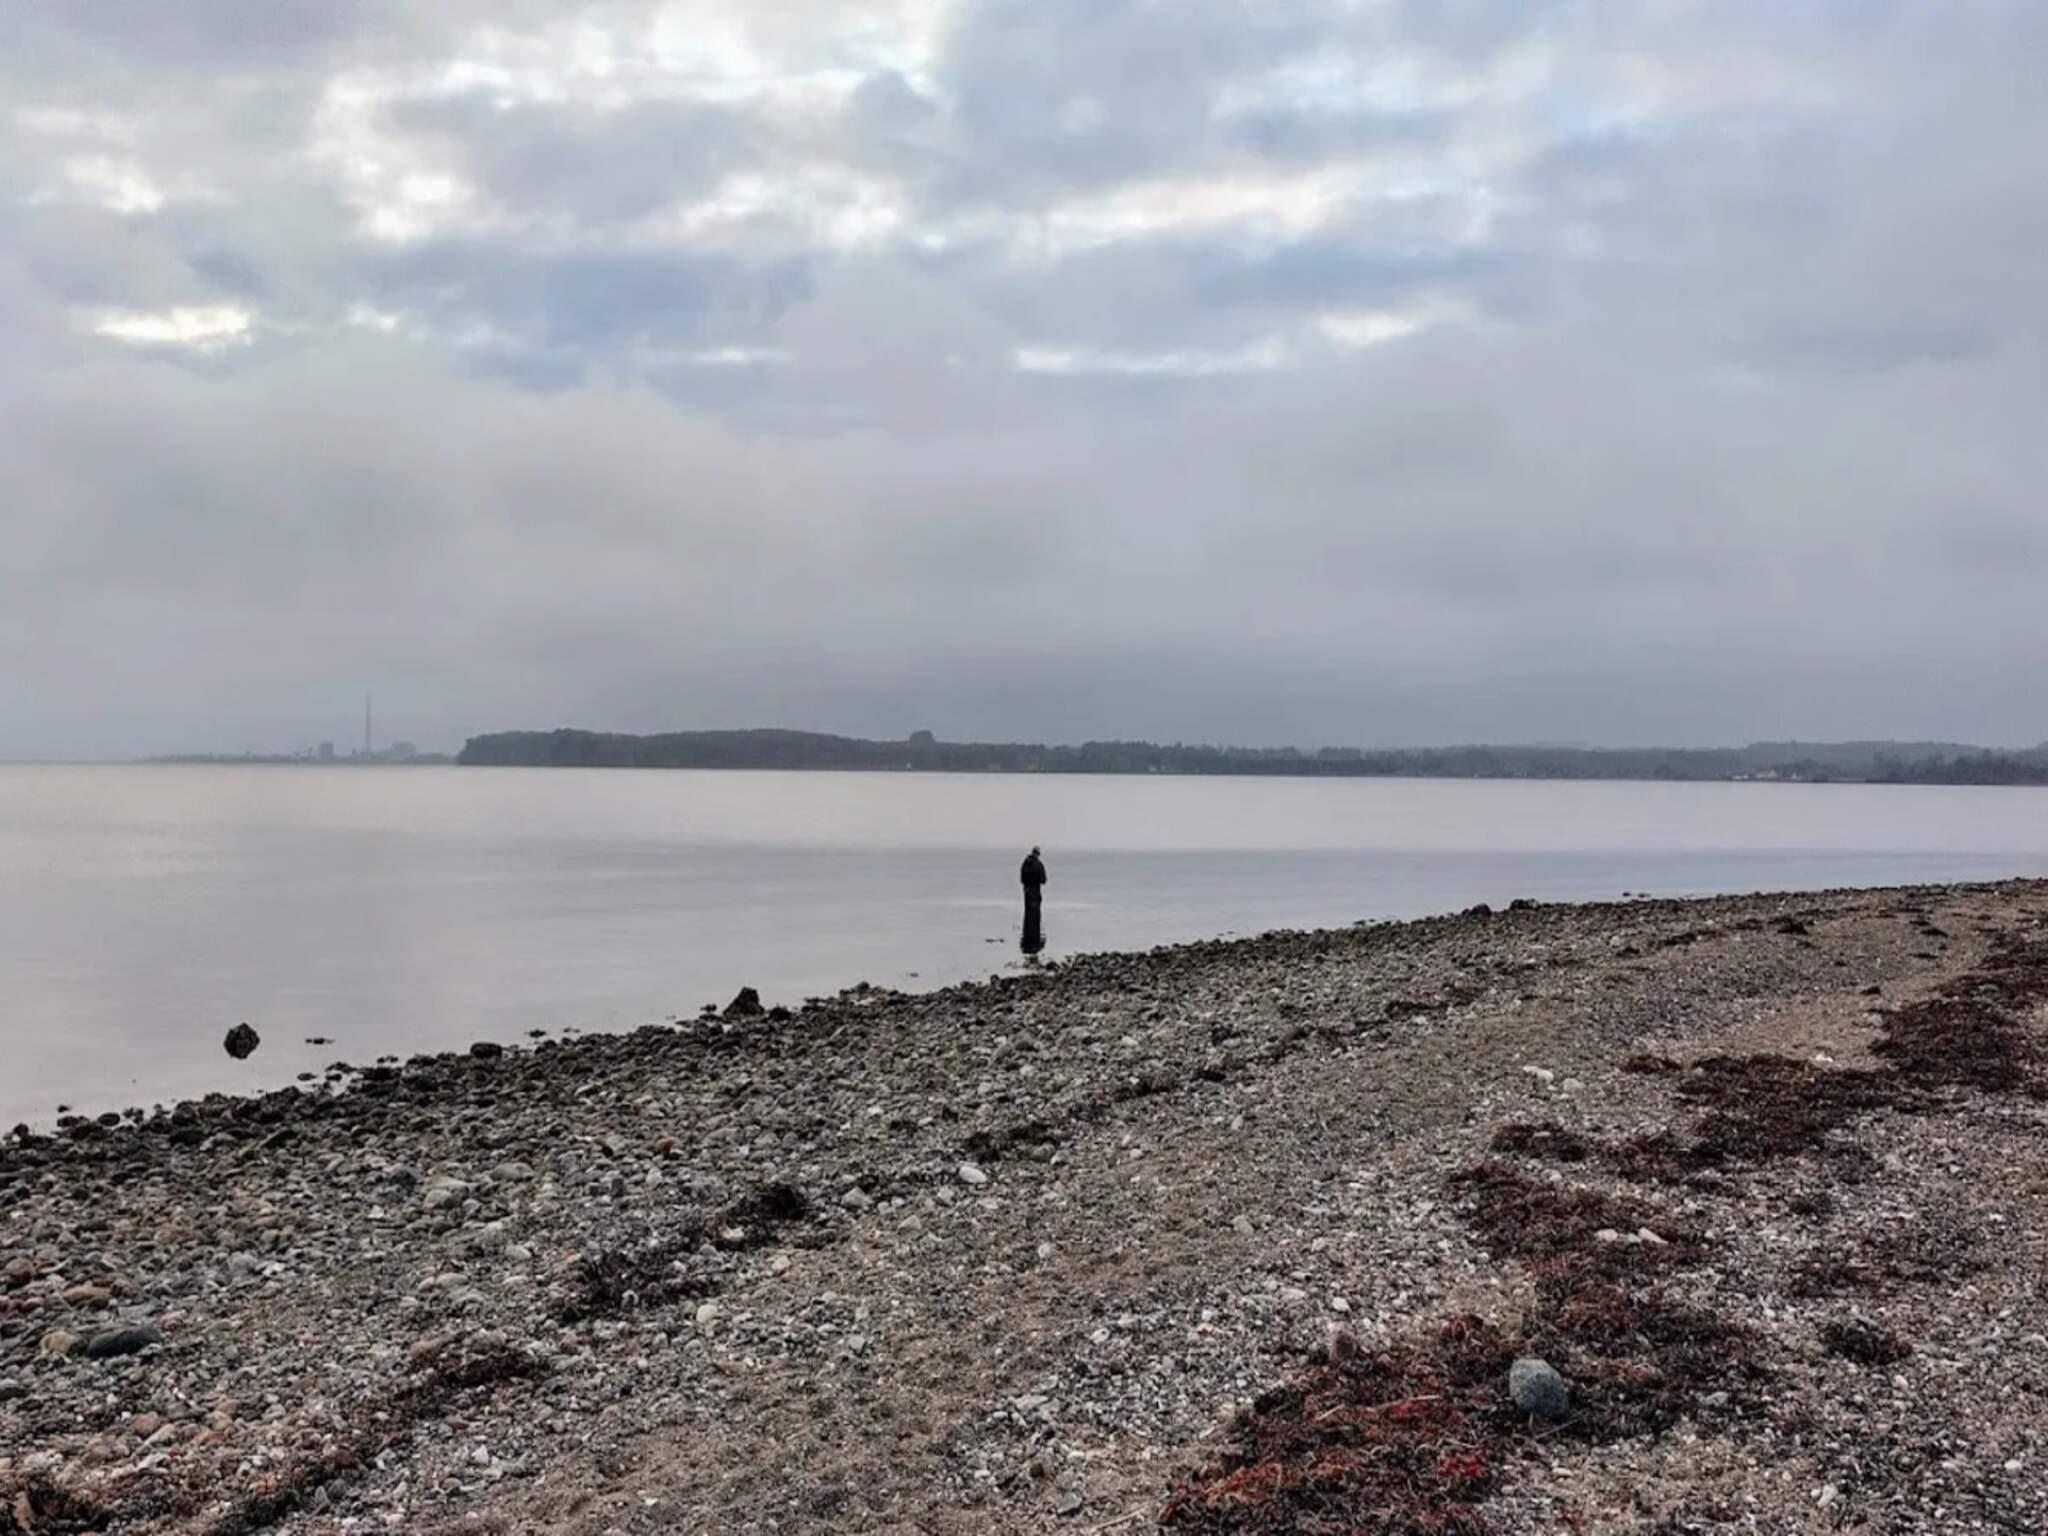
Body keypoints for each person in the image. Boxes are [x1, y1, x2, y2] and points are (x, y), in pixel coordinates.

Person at [1020, 845, 1047, 954]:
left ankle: (1026, 939)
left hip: (1027, 892)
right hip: (1036, 892)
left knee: (1028, 915)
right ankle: (1035, 940)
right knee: (1035, 916)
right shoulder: (1039, 865)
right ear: (1038, 854)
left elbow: (1022, 879)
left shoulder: (1025, 864)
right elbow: (1044, 880)